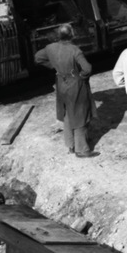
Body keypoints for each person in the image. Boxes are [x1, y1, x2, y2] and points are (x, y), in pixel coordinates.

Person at [33, 25, 94, 157]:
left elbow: (38, 58)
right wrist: (81, 77)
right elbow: (87, 68)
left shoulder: (50, 48)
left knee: (67, 113)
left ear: (58, 35)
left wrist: (54, 67)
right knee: (79, 113)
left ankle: (70, 145)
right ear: (72, 35)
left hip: (61, 82)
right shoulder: (74, 50)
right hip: (74, 83)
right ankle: (82, 149)